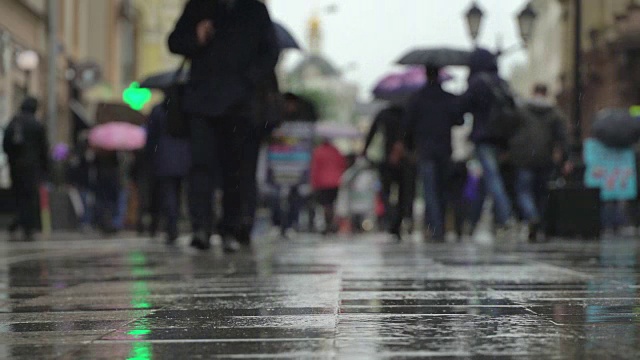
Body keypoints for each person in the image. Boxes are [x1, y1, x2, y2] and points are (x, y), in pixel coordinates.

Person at [168, 0, 279, 251]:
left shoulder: (254, 10)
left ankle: (232, 226)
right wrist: (195, 37)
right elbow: (175, 42)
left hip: (241, 105)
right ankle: (201, 226)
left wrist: (247, 80)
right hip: (201, 100)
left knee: (237, 168)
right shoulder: (199, 7)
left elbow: (270, 52)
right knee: (201, 165)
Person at [456, 48, 516, 236]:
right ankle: (472, 222)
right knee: (485, 181)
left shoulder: (478, 82)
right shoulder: (501, 82)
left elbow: (463, 106)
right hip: (502, 138)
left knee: (491, 177)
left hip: (485, 136)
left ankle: (506, 219)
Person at [403, 65, 464, 241]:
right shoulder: (448, 98)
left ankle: (435, 226)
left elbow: (407, 125)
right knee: (443, 189)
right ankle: (441, 225)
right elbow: (459, 119)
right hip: (444, 149)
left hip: (425, 149)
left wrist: (410, 147)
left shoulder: (417, 98)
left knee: (430, 190)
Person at [510, 84, 569, 241]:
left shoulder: (521, 110)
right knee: (541, 193)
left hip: (523, 157)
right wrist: (565, 159)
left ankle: (531, 216)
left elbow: (509, 129)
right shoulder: (554, 113)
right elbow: (562, 137)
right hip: (544, 158)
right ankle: (538, 222)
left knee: (524, 191)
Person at [363, 105, 415, 238]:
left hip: (387, 159)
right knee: (404, 194)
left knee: (386, 193)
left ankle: (393, 218)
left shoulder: (384, 114)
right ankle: (397, 219)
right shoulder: (409, 114)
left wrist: (365, 151)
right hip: (406, 160)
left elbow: (372, 133)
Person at [145, 99, 192, 244]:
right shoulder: (185, 108)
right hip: (183, 156)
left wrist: (150, 156)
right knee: (176, 193)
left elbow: (151, 136)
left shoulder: (159, 110)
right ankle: (173, 223)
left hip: (164, 158)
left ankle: (171, 225)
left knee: (168, 194)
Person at [2, 97, 49, 241]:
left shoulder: (14, 123)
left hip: (16, 166)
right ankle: (29, 225)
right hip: (32, 166)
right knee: (30, 196)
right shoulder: (36, 125)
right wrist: (45, 167)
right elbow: (43, 148)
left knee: (18, 195)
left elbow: (6, 144)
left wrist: (12, 159)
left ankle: (19, 221)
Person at [310, 139, 347, 235]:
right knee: (331, 203)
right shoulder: (336, 151)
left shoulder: (318, 151)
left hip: (322, 182)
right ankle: (330, 223)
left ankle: (328, 224)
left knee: (325, 204)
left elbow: (314, 167)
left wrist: (313, 182)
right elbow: (342, 164)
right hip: (335, 182)